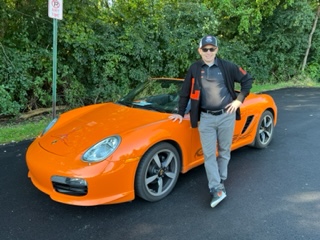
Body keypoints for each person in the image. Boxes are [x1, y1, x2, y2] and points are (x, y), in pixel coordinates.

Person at [169, 35, 253, 208]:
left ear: (216, 50)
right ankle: (216, 188)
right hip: (206, 118)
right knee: (208, 155)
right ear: (199, 50)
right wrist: (179, 112)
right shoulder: (194, 68)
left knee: (224, 151)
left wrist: (239, 100)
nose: (208, 52)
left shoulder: (227, 66)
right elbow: (185, 92)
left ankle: (220, 179)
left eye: (211, 49)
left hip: (226, 116)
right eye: (205, 49)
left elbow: (247, 80)